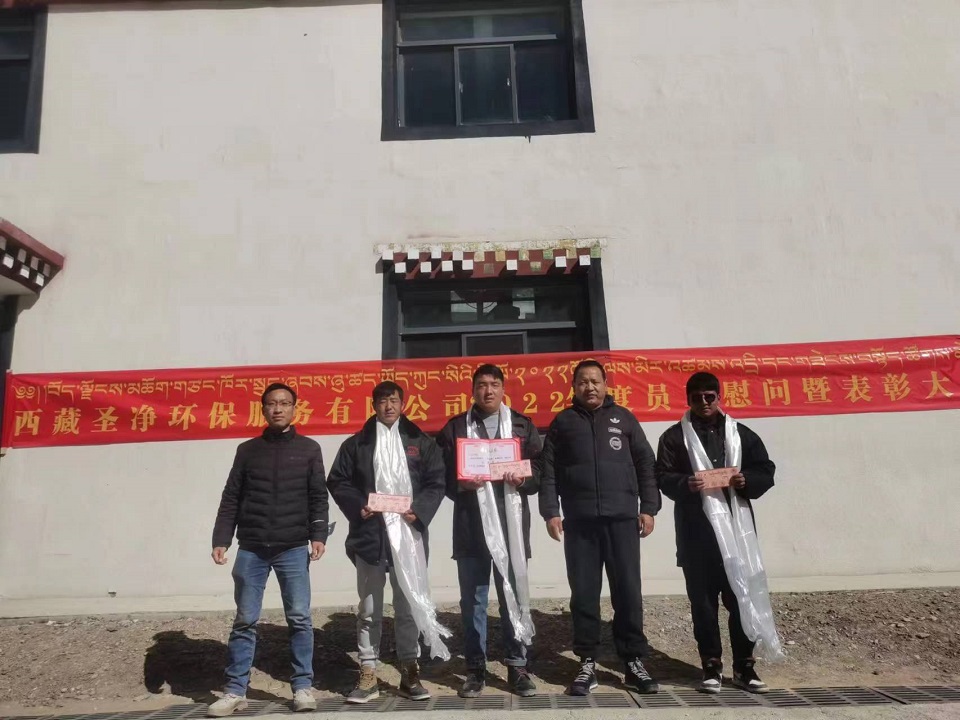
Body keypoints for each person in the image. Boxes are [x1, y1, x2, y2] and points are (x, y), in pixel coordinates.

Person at [538, 360, 661, 696]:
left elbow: (645, 464)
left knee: (628, 592)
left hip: (622, 520)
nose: (589, 387)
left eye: (595, 381)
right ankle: (587, 662)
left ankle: (633, 661)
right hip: (580, 523)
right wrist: (551, 512)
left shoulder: (624, 419)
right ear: (573, 387)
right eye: (582, 382)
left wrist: (649, 508)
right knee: (584, 594)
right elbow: (548, 472)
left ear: (606, 384)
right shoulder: (563, 423)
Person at [208, 382, 329, 717]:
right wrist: (221, 538)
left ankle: (302, 687)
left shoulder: (309, 449)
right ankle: (235, 691)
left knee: (300, 618)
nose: (278, 409)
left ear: (294, 408)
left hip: (292, 548)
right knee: (245, 620)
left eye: (284, 403)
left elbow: (318, 496)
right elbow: (231, 496)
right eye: (272, 404)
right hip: (252, 548)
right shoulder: (248, 450)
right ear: (263, 409)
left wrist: (318, 534)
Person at [654, 372, 776, 694]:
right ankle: (711, 665)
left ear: (719, 397)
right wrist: (685, 483)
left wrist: (747, 480)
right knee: (703, 606)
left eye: (709, 397)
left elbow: (766, 469)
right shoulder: (674, 438)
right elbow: (661, 476)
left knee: (741, 599)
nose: (704, 403)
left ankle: (745, 666)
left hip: (737, 535)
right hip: (697, 536)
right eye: (697, 398)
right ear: (688, 400)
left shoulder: (740, 434)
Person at [326, 381, 447, 704]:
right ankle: (368, 671)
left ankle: (409, 669)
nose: (388, 406)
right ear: (374, 405)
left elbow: (436, 481)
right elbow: (337, 479)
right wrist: (359, 505)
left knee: (407, 606)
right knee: (369, 608)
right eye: (382, 401)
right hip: (371, 536)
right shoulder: (357, 443)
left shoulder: (420, 441)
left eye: (394, 400)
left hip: (409, 535)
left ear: (403, 404)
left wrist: (419, 510)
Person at [436, 364, 542, 698]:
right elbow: (438, 474)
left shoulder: (522, 426)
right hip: (471, 529)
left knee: (514, 596)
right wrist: (461, 484)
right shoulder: (456, 428)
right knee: (474, 601)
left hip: (511, 528)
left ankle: (517, 665)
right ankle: (475, 669)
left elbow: (541, 469)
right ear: (473, 390)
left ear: (503, 389)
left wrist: (524, 478)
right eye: (482, 385)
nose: (488, 390)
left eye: (495, 384)